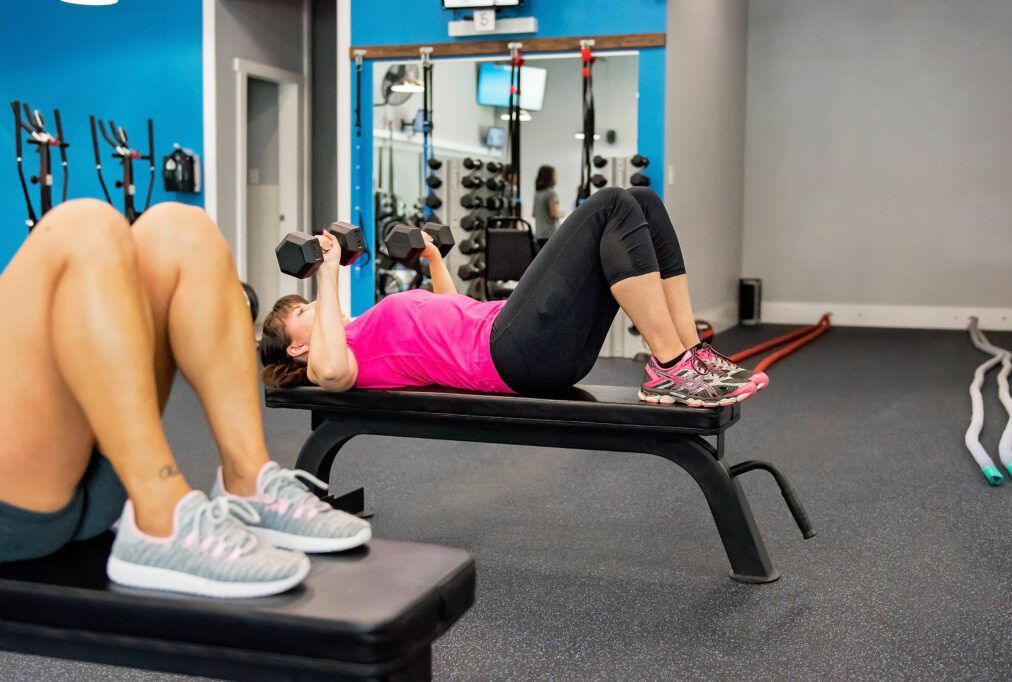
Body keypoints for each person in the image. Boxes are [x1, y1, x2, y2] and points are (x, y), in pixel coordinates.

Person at [0, 200, 370, 598]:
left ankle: (247, 479)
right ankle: (158, 515)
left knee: (181, 229)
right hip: (18, 503)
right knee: (82, 226)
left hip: (85, 469)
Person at [261, 187, 769, 406]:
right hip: (510, 350)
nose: (311, 306)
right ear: (298, 349)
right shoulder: (331, 362)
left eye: (306, 301)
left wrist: (434, 261)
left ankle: (688, 355)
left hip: (510, 338)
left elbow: (452, 314)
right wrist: (326, 275)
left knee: (643, 203)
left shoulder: (357, 331)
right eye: (301, 313)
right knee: (610, 205)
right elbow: (331, 374)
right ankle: (670, 367)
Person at [532, 165, 563, 249]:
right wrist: (561, 214)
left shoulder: (537, 193)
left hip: (539, 234)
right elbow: (553, 214)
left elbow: (534, 214)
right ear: (550, 177)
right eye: (555, 175)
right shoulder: (552, 193)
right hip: (550, 234)